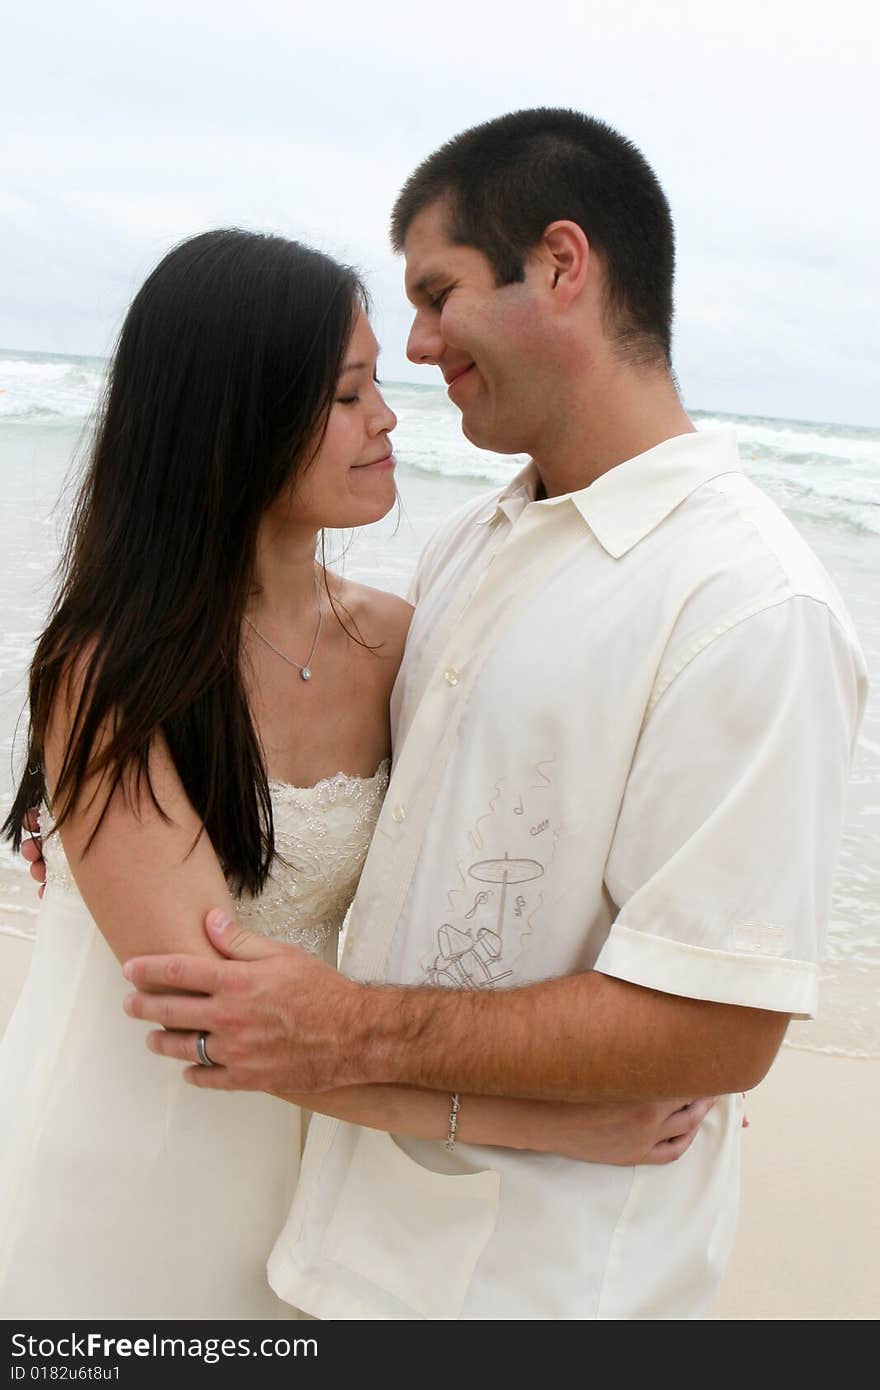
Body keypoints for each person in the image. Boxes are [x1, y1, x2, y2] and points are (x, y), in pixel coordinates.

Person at [122, 109, 868, 1321]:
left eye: (437, 291)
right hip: (329, 1246)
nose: (414, 345)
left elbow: (718, 1030)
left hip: (541, 1286)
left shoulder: (747, 604)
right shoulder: (469, 546)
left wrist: (345, 1027)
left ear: (562, 266)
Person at [1, 227, 711, 1320]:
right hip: (129, 1164)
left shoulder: (398, 643)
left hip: (325, 1178)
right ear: (234, 418)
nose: (386, 418)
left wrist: (667, 1032)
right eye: (344, 394)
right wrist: (554, 1118)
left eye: (376, 381)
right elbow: (210, 1019)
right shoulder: (108, 673)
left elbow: (517, 855)